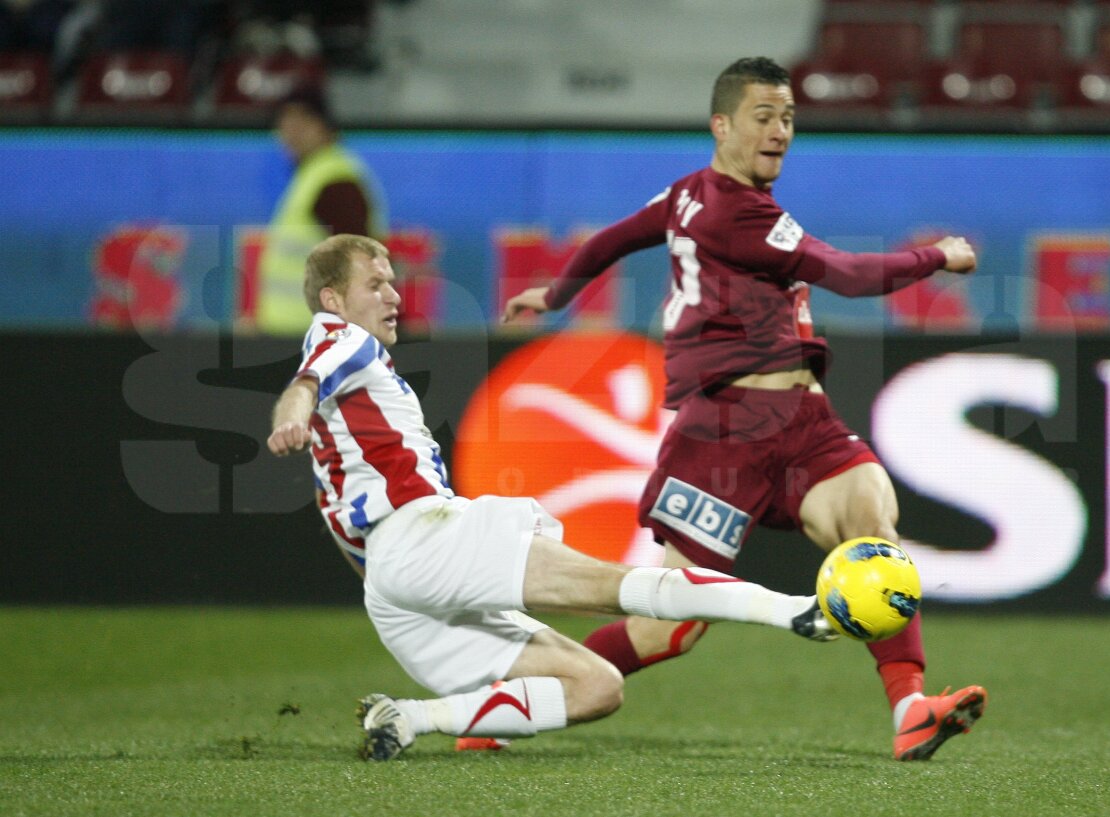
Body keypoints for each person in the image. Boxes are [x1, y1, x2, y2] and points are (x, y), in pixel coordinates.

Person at [504, 56, 987, 762]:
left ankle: (911, 707)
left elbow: (614, 237)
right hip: (724, 436)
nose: (781, 131)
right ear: (721, 124)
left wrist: (555, 292)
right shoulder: (738, 214)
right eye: (764, 116)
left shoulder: (689, 195)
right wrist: (936, 256)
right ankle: (506, 696)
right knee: (667, 627)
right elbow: (850, 275)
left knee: (871, 527)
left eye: (788, 117)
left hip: (803, 424)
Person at [267, 233, 839, 759]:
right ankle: (796, 610)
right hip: (424, 539)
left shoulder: (352, 402)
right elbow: (306, 383)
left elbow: (342, 518)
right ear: (333, 299)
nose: (393, 294)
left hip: (393, 586)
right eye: (375, 284)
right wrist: (291, 415)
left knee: (596, 686)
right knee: (631, 589)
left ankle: (411, 718)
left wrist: (390, 584)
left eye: (393, 280)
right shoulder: (341, 339)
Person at [255, 84, 387, 336]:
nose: (291, 131)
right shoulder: (311, 178)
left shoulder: (334, 182)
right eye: (285, 120)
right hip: (299, 338)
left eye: (303, 120)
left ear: (325, 126)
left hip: (321, 342)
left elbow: (361, 265)